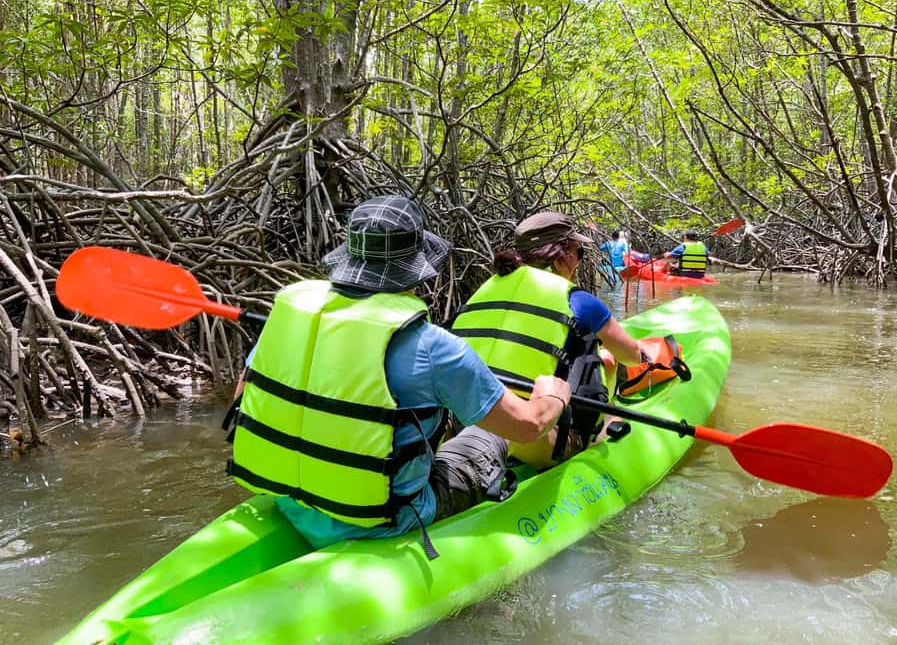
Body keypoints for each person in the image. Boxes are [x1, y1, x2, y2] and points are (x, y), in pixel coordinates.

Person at [226, 195, 571, 558]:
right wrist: (552, 397)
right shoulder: (435, 347)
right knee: (487, 434)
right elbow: (527, 427)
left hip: (289, 500)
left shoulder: (288, 322)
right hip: (391, 518)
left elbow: (244, 401)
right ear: (415, 268)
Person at [451, 211, 648, 468]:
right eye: (579, 253)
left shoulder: (483, 290)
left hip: (462, 423)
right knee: (608, 369)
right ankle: (596, 432)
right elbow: (630, 356)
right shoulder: (577, 300)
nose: (579, 261)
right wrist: (647, 355)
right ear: (562, 256)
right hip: (530, 437)